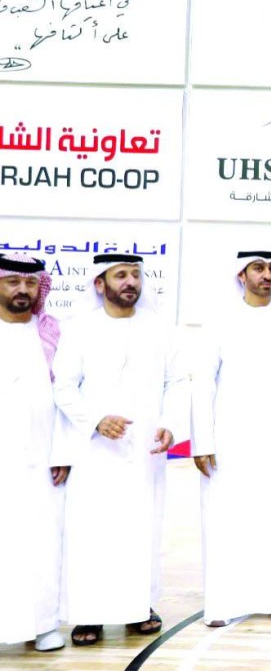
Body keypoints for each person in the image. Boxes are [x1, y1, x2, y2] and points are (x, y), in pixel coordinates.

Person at [52, 254, 187, 647]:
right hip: (94, 451)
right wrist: (96, 419)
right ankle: (88, 613)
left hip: (145, 451)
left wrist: (170, 423)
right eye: (120, 275)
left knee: (141, 530)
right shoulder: (79, 329)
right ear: (100, 283)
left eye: (135, 275)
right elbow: (63, 387)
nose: (130, 282)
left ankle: (138, 607)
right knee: (92, 531)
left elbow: (178, 381)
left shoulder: (160, 328)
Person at [192, 250, 271, 627]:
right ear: (241, 275)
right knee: (230, 514)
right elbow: (202, 382)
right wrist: (202, 440)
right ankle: (224, 603)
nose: (267, 275)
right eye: (258, 268)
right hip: (233, 435)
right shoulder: (219, 320)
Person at [0, 253, 68, 653]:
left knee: (43, 542)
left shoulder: (51, 333)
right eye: (13, 282)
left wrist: (62, 451)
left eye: (29, 283)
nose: (22, 290)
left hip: (42, 459)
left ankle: (44, 625)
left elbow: (68, 396)